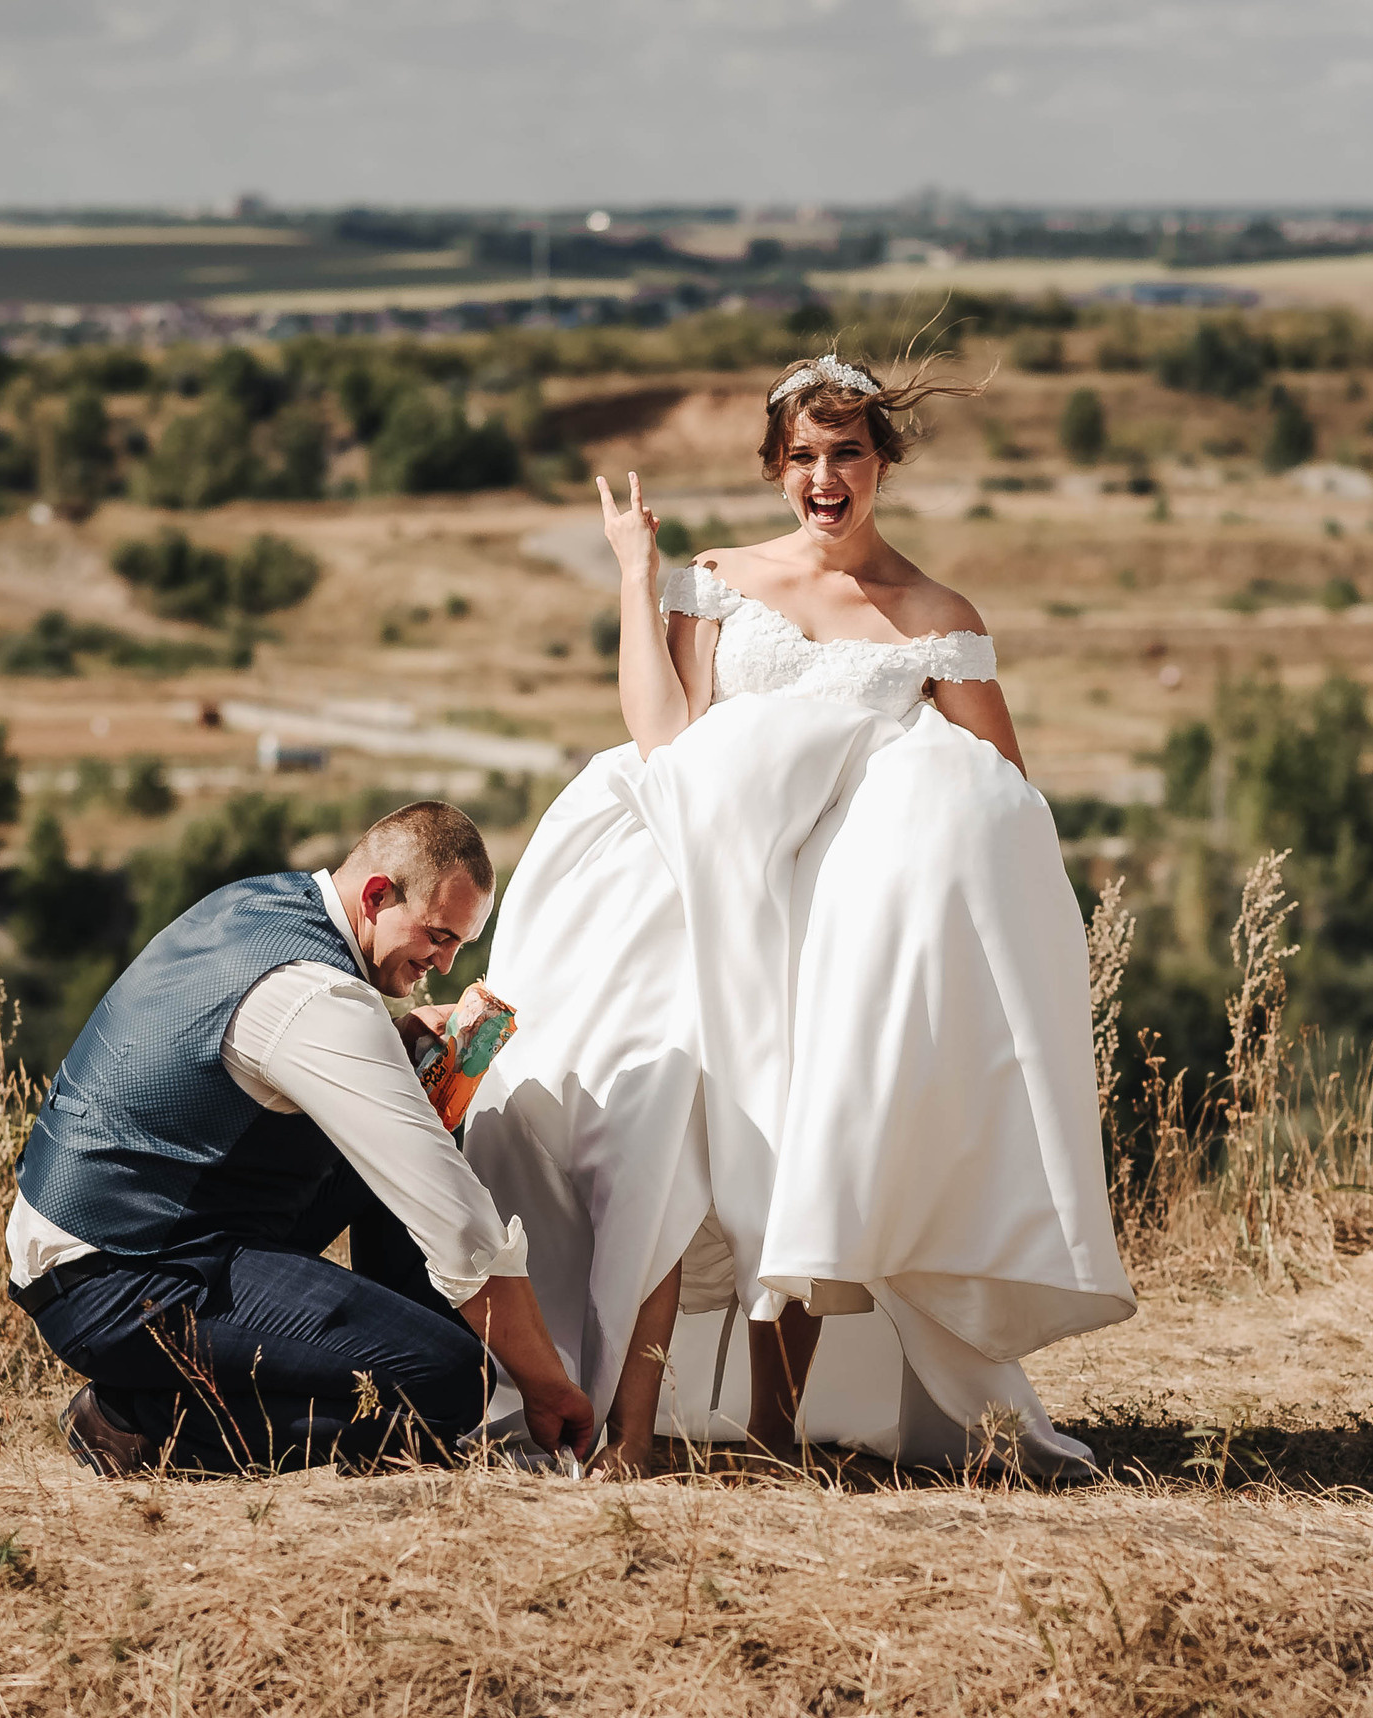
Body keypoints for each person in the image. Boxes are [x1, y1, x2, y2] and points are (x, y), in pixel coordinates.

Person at [464, 353, 1135, 1479]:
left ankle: (779, 1431)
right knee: (656, 1119)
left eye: (848, 453)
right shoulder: (718, 580)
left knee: (801, 1151)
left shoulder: (937, 617)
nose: (826, 477)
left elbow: (1001, 797)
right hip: (696, 879)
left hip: (832, 922)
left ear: (883, 461)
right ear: (776, 468)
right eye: (804, 457)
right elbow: (660, 733)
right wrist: (637, 573)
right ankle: (627, 1428)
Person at [8, 801, 594, 1476]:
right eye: (437, 936)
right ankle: (139, 1421)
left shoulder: (261, 901)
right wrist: (548, 1385)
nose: (441, 963)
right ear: (378, 895)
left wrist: (396, 1056)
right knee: (454, 1385)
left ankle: (405, 1351)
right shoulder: (319, 998)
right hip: (116, 1276)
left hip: (128, 1231)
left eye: (459, 945)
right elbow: (460, 1226)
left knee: (405, 1132)